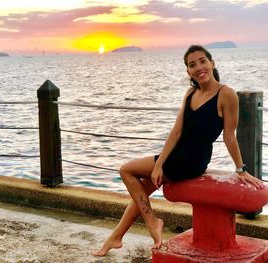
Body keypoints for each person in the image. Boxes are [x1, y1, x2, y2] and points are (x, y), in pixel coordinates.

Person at [93, 44, 265, 256]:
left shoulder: (226, 94)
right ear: (188, 71)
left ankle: (152, 223)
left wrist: (241, 169)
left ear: (212, 63)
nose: (199, 67)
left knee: (126, 170)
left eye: (202, 61)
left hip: (192, 160)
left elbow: (230, 136)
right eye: (192, 65)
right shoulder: (190, 92)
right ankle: (116, 237)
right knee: (143, 190)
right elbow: (176, 132)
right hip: (177, 156)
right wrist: (159, 164)